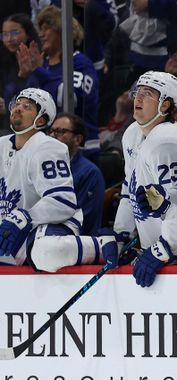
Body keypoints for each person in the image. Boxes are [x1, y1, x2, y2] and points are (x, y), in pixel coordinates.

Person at [113, 71, 177, 287]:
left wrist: (165, 248)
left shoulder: (167, 142)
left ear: (165, 105)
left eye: (148, 94)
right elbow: (129, 187)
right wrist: (121, 234)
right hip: (155, 251)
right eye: (138, 92)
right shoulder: (132, 134)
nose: (138, 98)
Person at [0, 88, 100, 270]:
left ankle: (101, 246)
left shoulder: (48, 147)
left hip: (48, 226)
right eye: (17, 104)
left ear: (41, 120)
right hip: (11, 229)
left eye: (27, 106)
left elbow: (63, 201)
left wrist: (23, 217)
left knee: (45, 252)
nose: (18, 108)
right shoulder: (1, 145)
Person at [17, 6, 100, 150]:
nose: (41, 34)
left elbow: (71, 98)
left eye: (46, 29)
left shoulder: (80, 62)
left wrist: (38, 71)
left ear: (63, 31)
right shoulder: (44, 65)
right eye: (40, 29)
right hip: (48, 144)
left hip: (80, 148)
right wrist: (25, 76)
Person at [49, 112, 105, 235]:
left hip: (73, 244)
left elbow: (83, 220)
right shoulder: (44, 168)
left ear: (78, 139)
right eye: (51, 131)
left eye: (60, 131)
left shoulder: (89, 173)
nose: (52, 135)